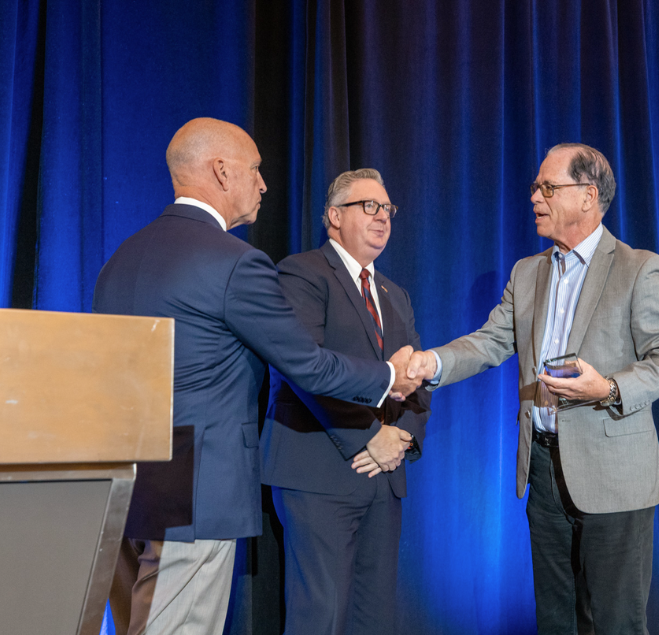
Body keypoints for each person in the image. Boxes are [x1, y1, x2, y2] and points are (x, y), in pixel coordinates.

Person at [93, 118, 420, 635]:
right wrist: (388, 375)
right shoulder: (235, 262)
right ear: (222, 172)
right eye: (255, 169)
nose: (264, 184)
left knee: (142, 622)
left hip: (125, 482)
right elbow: (307, 364)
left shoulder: (121, 256)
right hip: (197, 486)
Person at [406, 143, 659, 634]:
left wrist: (609, 388)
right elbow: (490, 341)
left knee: (618, 623)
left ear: (588, 196)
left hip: (615, 476)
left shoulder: (638, 267)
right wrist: (429, 362)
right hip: (543, 468)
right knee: (556, 621)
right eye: (535, 187)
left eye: (548, 187)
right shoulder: (527, 272)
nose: (535, 197)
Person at [259, 168, 430, 635]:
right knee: (322, 617)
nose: (383, 217)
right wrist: (369, 436)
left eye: (388, 208)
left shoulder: (395, 293)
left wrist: (402, 438)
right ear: (334, 216)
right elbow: (303, 369)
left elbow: (417, 378)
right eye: (369, 206)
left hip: (384, 476)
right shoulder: (302, 273)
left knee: (374, 619)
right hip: (319, 472)